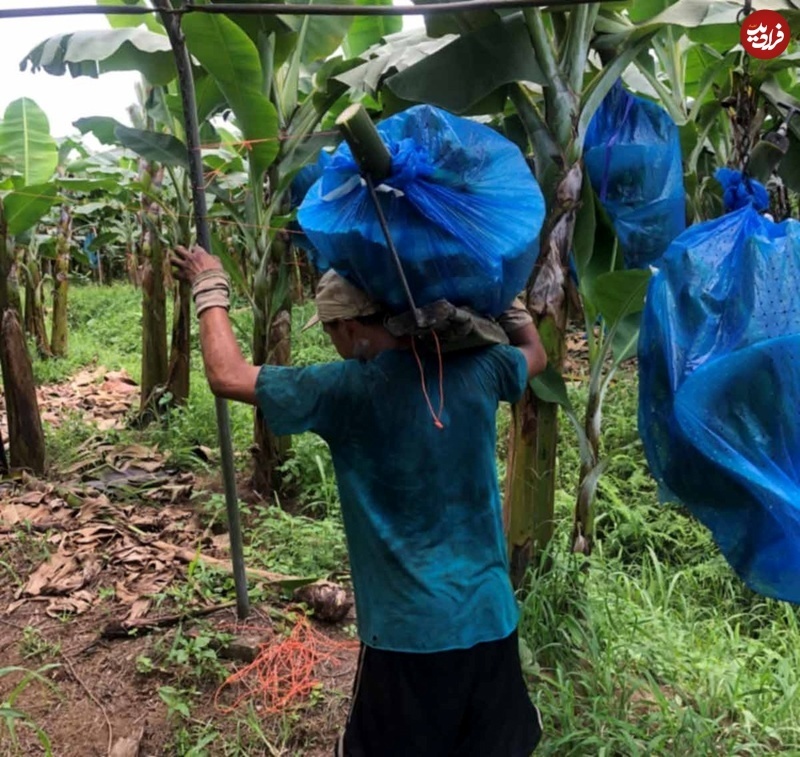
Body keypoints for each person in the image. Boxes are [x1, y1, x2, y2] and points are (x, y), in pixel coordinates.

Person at [171, 244, 547, 757]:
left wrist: (209, 284)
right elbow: (537, 355)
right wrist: (505, 300)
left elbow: (227, 375)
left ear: (350, 329)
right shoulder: (479, 369)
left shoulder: (346, 391)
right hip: (490, 620)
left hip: (406, 637)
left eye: (329, 332)